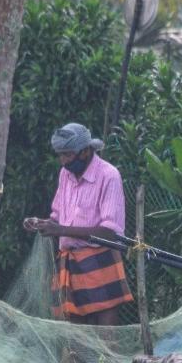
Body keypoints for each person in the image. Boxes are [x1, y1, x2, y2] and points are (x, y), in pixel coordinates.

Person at [23, 122, 133, 325]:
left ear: (86, 151)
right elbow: (58, 217)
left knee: (105, 330)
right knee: (73, 330)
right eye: (60, 155)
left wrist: (61, 229)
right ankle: (74, 359)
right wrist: (41, 223)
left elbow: (111, 233)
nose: (63, 161)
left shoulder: (108, 175)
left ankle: (105, 359)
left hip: (100, 257)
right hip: (69, 261)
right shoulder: (66, 174)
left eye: (68, 155)